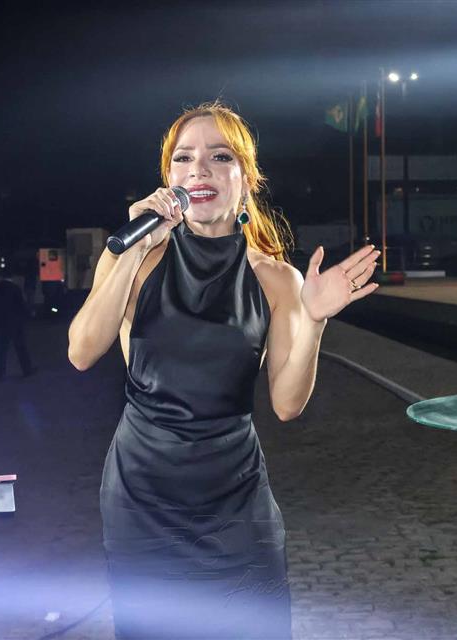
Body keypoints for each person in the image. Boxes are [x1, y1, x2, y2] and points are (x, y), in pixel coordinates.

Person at [68, 102, 379, 639]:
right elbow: (81, 351)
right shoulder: (133, 258)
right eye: (184, 158)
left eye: (220, 157)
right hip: (142, 500)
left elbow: (287, 404)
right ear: (169, 179)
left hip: (236, 502)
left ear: (247, 179)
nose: (199, 170)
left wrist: (314, 321)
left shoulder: (276, 279)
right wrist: (137, 248)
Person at [0, 267, 35, 379]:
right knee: (21, 347)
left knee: (1, 349)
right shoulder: (15, 288)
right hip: (15, 323)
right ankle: (27, 369)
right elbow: (20, 305)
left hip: (1, 323)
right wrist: (28, 314)